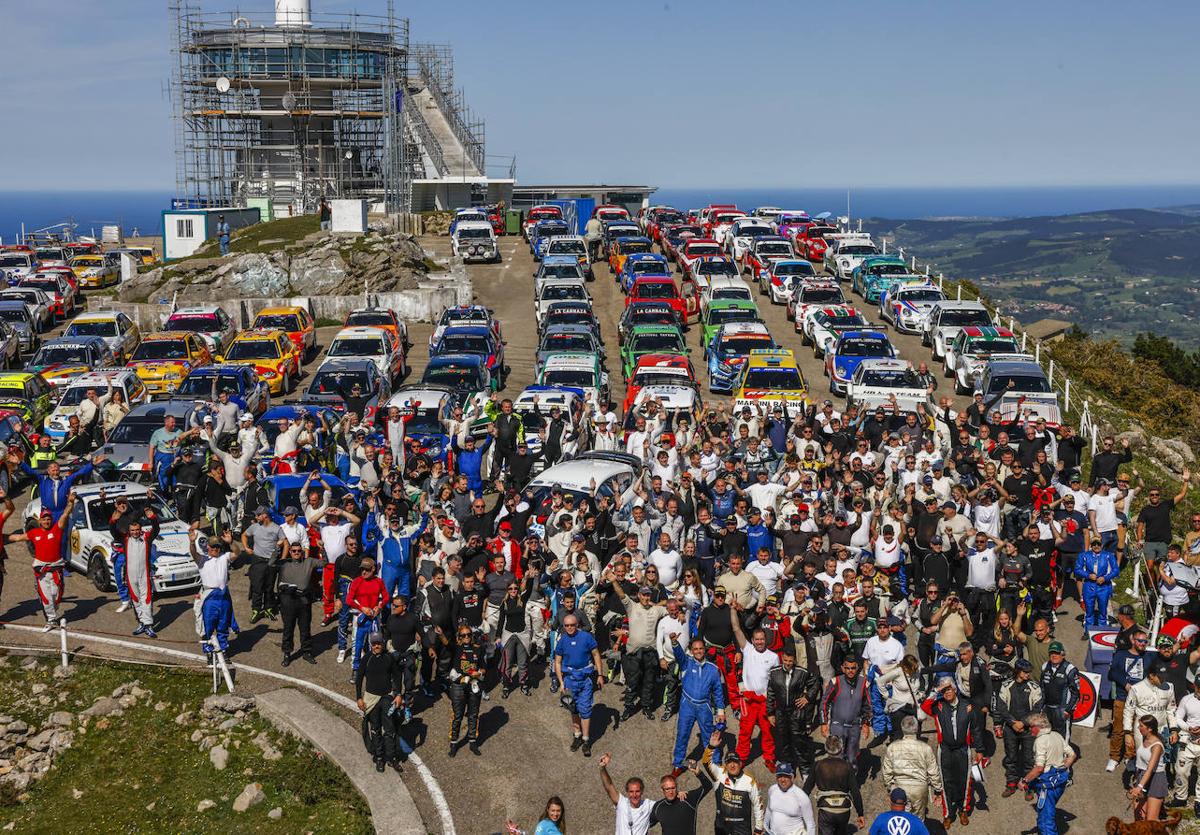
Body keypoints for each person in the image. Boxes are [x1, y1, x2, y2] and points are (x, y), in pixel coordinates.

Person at [7, 496, 76, 631]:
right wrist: (2, 538)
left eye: (48, 518)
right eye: (44, 519)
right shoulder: (34, 532)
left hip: (56, 569)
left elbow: (66, 513)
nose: (46, 521)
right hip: (41, 571)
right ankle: (51, 620)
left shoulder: (57, 528)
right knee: (46, 597)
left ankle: (52, 613)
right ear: (39, 521)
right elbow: (18, 537)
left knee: (56, 596)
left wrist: (71, 502)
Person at [921, 676, 978, 828]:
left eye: (949, 689)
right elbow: (924, 706)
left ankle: (963, 810)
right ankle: (948, 814)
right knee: (946, 781)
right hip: (945, 749)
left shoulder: (967, 706)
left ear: (955, 689)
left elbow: (976, 729)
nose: (947, 693)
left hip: (963, 750)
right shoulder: (938, 706)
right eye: (944, 690)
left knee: (964, 781)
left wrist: (980, 750)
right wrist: (937, 690)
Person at [731, 602, 779, 770]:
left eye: (762, 639)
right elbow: (737, 629)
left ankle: (770, 758)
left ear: (766, 640)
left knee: (767, 731)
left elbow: (776, 680)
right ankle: (741, 758)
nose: (759, 642)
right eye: (756, 639)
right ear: (752, 640)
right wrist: (732, 610)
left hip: (765, 700)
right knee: (745, 731)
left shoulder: (773, 657)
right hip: (748, 698)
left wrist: (774, 700)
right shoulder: (748, 650)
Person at [669, 636, 725, 777]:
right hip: (687, 704)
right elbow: (679, 655)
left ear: (704, 650)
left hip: (704, 707)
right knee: (682, 734)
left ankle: (715, 763)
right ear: (691, 651)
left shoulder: (713, 669)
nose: (698, 651)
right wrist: (675, 643)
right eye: (695, 649)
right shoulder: (686, 663)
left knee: (709, 736)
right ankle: (678, 763)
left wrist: (721, 712)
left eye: (701, 648)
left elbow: (718, 692)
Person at [766, 644, 821, 779]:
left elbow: (816, 683)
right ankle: (788, 767)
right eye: (785, 660)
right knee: (783, 741)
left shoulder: (802, 672)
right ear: (782, 658)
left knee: (799, 740)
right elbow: (771, 693)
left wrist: (807, 697)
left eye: (791, 661)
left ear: (795, 660)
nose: (788, 663)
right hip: (780, 712)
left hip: (797, 712)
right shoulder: (774, 672)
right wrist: (770, 713)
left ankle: (805, 768)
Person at [554, 613, 604, 757]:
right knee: (573, 708)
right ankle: (577, 735)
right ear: (564, 626)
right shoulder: (562, 641)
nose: (570, 628)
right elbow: (557, 662)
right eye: (567, 625)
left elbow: (596, 655)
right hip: (569, 680)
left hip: (585, 679)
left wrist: (600, 675)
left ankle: (586, 740)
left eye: (573, 625)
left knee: (585, 709)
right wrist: (561, 682)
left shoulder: (587, 637)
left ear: (578, 625)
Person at [1018, 712, 1075, 835]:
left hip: (1047, 786)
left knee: (1046, 819)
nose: (1029, 729)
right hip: (1060, 782)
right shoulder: (1057, 735)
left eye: (1030, 727)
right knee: (1043, 812)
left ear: (1038, 727)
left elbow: (1039, 768)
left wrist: (1024, 781)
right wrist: (1063, 767)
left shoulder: (1040, 741)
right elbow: (1072, 754)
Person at [994, 658, 1045, 796]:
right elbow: (1001, 707)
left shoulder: (1035, 687)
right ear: (1018, 671)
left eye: (1029, 671)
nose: (1028, 674)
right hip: (1010, 729)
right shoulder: (1006, 685)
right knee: (1011, 757)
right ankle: (1011, 784)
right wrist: (1012, 723)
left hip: (1028, 729)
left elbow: (1037, 708)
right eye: (1025, 671)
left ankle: (1028, 785)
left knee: (1029, 759)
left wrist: (1023, 723)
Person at [355, 633, 404, 773]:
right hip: (371, 698)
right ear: (371, 644)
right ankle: (379, 757)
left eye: (379, 643)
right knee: (375, 729)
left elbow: (397, 675)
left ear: (383, 644)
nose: (377, 646)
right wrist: (359, 697)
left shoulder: (389, 658)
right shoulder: (367, 659)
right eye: (374, 643)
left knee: (390, 729)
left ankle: (392, 757)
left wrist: (399, 694)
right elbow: (359, 679)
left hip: (387, 697)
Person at [701, 729, 765, 835]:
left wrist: (758, 829)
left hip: (742, 829)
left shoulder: (749, 781)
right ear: (725, 764)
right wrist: (711, 747)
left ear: (740, 764)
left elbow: (758, 806)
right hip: (722, 826)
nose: (732, 765)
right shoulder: (720, 773)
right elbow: (706, 762)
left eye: (735, 762)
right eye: (729, 762)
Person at [187, 527, 238, 658]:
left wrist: (231, 542)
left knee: (223, 625)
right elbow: (193, 553)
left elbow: (237, 553)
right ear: (208, 547)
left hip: (224, 596)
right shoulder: (202, 560)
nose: (215, 549)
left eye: (218, 547)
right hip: (209, 598)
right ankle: (209, 651)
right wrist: (192, 542)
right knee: (208, 626)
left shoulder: (224, 557)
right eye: (213, 547)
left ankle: (223, 650)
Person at [880, 715, 942, 821]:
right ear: (917, 729)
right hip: (919, 788)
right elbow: (933, 771)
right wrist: (937, 790)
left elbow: (886, 770)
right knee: (918, 820)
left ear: (902, 728)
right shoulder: (926, 748)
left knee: (901, 820)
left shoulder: (892, 747)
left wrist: (889, 786)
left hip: (899, 787)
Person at [801, 736, 864, 835]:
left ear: (826, 748)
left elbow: (807, 789)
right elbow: (855, 791)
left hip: (826, 809)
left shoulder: (818, 765)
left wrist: (798, 808)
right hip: (843, 809)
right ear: (841, 748)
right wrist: (860, 813)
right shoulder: (847, 766)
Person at [275, 539, 320, 666]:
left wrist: (322, 548)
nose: (296, 553)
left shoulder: (309, 561)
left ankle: (307, 652)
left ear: (302, 552)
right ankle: (287, 653)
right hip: (288, 600)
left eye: (299, 551)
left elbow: (325, 563)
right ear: (289, 552)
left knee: (305, 628)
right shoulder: (285, 563)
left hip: (304, 600)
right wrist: (277, 548)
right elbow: (271, 563)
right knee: (288, 628)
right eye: (294, 551)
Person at [820, 657, 870, 764]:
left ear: (857, 668)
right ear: (843, 668)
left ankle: (851, 779)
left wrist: (866, 724)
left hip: (854, 726)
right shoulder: (835, 682)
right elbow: (824, 702)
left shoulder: (864, 683)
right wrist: (824, 723)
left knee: (852, 758)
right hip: (837, 725)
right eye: (847, 668)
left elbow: (867, 705)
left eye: (853, 668)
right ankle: (837, 779)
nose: (850, 671)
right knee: (837, 757)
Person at [120, 513, 161, 637]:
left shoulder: (147, 537)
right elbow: (113, 530)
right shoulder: (125, 539)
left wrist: (152, 517)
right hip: (131, 576)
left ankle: (148, 625)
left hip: (144, 575)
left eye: (137, 529)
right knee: (136, 600)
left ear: (141, 529)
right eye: (132, 530)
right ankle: (141, 623)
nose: (135, 532)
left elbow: (156, 528)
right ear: (129, 531)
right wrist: (116, 516)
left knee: (147, 599)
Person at [447, 623, 485, 757]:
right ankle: (453, 742)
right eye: (463, 635)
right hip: (458, 686)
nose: (467, 637)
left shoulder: (478, 649)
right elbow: (446, 643)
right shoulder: (456, 648)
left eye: (469, 634)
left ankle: (473, 741)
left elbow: (483, 666)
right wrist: (440, 634)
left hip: (474, 684)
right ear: (459, 637)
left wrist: (479, 673)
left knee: (473, 714)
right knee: (457, 716)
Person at [649, 761, 713, 835]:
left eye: (673, 788)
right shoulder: (658, 806)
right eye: (667, 789)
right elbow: (646, 825)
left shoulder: (688, 798)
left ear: (677, 787)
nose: (671, 791)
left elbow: (708, 786)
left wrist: (698, 772)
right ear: (662, 790)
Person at [1128, 714, 1169, 823]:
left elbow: (1150, 769)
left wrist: (1139, 787)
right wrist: (1137, 781)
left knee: (1151, 821)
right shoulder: (1144, 737)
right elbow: (1140, 763)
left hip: (1156, 780)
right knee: (1139, 816)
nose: (1138, 728)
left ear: (1150, 728)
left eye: (1141, 726)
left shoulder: (1157, 746)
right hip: (1142, 777)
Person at [598, 752, 652, 835]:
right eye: (631, 791)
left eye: (637, 791)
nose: (634, 795)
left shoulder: (648, 805)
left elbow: (667, 804)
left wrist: (679, 795)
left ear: (642, 791)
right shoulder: (621, 802)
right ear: (627, 792)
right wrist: (602, 768)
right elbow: (609, 786)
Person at [765, 763, 815, 835]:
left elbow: (810, 824)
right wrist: (765, 827)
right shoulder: (772, 790)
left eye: (786, 776)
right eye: (780, 776)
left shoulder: (801, 796)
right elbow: (769, 810)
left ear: (792, 777)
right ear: (776, 778)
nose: (782, 780)